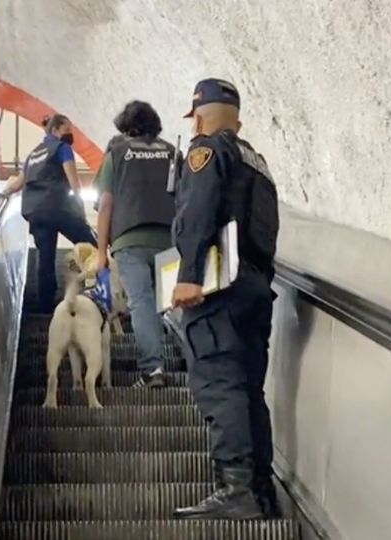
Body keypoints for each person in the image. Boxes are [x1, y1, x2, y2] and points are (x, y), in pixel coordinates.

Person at [169, 79, 281, 520]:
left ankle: (235, 489)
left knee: (219, 383)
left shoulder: (206, 150)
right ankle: (260, 490)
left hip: (219, 287)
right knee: (250, 390)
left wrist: (189, 275)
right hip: (256, 288)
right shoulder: (258, 161)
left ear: (197, 116)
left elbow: (198, 209)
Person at [95, 101, 178, 388]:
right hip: (169, 239)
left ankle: (152, 369)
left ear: (125, 126)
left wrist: (100, 252)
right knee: (166, 302)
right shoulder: (172, 152)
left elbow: (106, 204)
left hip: (129, 239)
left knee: (141, 301)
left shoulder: (117, 153)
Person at [0, 114, 97, 313]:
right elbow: (74, 182)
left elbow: (19, 182)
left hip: (35, 211)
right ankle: (101, 292)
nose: (70, 134)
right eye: (67, 129)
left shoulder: (34, 154)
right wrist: (80, 210)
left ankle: (45, 306)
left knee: (45, 257)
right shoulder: (62, 148)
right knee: (93, 245)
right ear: (55, 130)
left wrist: (3, 192)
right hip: (58, 207)